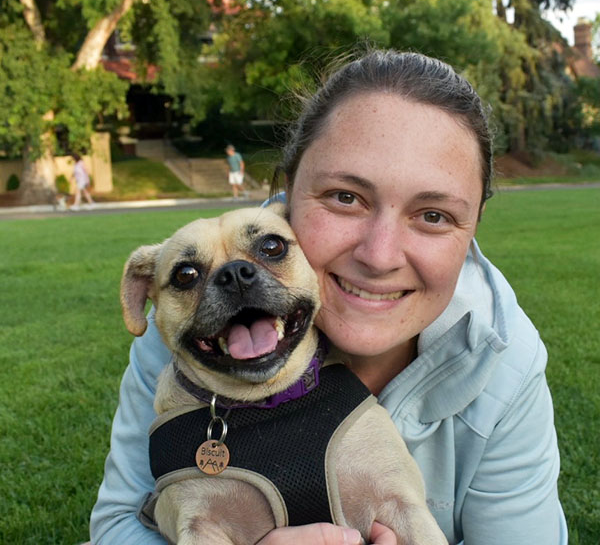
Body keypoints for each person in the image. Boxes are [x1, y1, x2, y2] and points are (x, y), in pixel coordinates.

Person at [90, 49, 567, 545]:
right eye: (345, 197)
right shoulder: (192, 333)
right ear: (286, 194)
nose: (380, 256)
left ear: (472, 233)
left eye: (433, 215)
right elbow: (118, 524)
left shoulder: (503, 358)